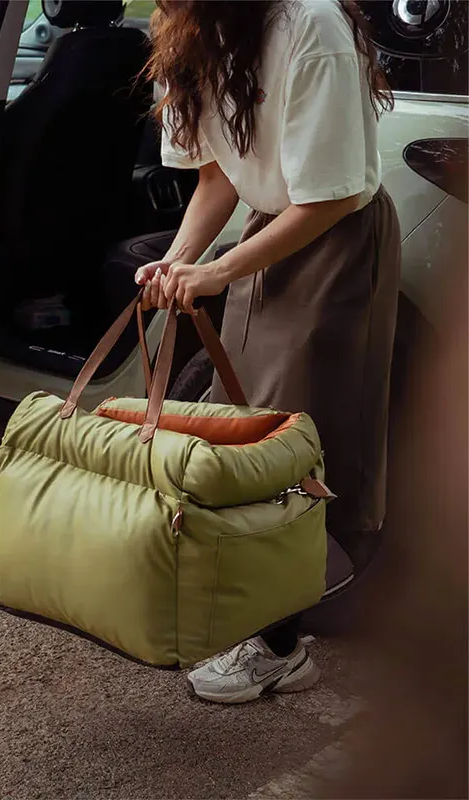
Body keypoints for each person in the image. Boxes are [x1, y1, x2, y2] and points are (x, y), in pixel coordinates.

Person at [136, 0, 401, 703]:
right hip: (271, 230)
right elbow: (217, 177)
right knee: (249, 434)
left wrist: (220, 271)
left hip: (336, 243)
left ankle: (283, 648)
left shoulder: (312, 24)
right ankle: (264, 621)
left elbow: (334, 198)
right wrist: (177, 262)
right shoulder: (193, 33)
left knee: (304, 442)